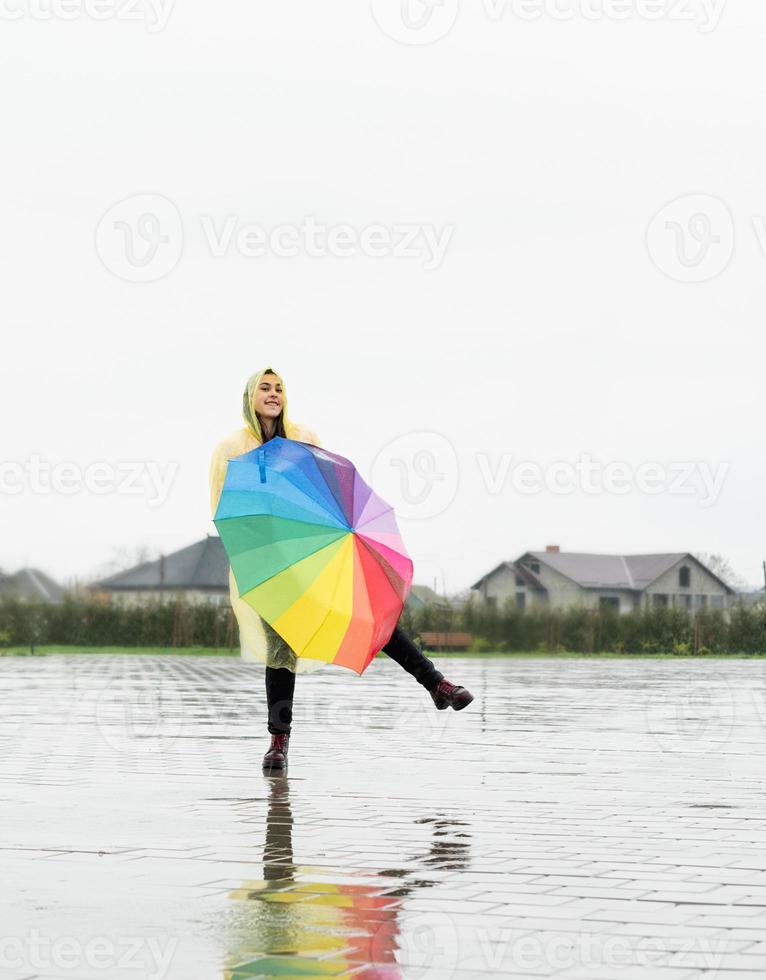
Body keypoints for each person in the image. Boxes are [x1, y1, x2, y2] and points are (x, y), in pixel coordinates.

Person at [209, 366, 474, 771]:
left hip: (314, 552)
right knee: (281, 650)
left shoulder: (304, 438)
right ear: (250, 397)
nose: (273, 394)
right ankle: (278, 742)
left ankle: (436, 684)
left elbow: (325, 489)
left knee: (371, 615)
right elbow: (223, 505)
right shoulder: (231, 447)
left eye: (279, 388)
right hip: (266, 559)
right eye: (264, 388)